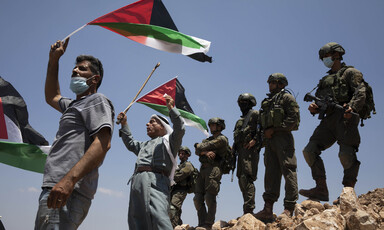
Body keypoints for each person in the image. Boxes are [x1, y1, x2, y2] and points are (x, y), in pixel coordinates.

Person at [34, 38, 115, 230]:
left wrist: (68, 181)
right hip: (56, 185)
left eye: (82, 69)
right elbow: (52, 96)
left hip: (68, 188)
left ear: (95, 79)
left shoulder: (96, 100)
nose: (75, 71)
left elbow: (103, 143)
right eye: (74, 69)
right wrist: (54, 60)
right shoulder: (72, 105)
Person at [300, 42, 365, 203]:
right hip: (328, 121)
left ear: (336, 55)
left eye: (326, 57)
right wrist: (314, 107)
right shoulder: (325, 79)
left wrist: (352, 107)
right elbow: (320, 100)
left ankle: (347, 193)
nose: (325, 60)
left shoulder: (351, 73)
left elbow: (361, 92)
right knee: (309, 150)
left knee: (346, 154)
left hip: (345, 119)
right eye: (323, 58)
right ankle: (321, 188)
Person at [117, 94, 185, 230]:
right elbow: (130, 143)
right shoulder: (144, 145)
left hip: (157, 181)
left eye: (152, 121)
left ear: (163, 126)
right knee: (136, 218)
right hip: (137, 181)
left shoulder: (169, 142)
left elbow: (180, 128)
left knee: (159, 218)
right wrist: (124, 124)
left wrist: (172, 109)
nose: (148, 124)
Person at [254, 73, 300, 222]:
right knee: (271, 174)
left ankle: (289, 208)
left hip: (283, 139)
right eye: (269, 82)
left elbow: (293, 119)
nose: (270, 85)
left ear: (281, 84)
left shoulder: (287, 98)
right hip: (269, 141)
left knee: (288, 169)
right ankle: (268, 209)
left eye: (273, 82)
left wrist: (275, 129)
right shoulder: (267, 101)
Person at [193, 117, 229, 230]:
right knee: (197, 198)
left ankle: (208, 223)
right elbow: (197, 151)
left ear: (220, 126)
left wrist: (200, 149)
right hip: (203, 169)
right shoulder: (208, 140)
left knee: (210, 197)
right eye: (211, 125)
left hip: (214, 169)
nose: (212, 127)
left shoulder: (222, 139)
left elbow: (199, 147)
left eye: (214, 125)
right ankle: (201, 223)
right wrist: (205, 152)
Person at [232, 93, 261, 215]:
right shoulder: (240, 120)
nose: (241, 104)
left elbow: (262, 129)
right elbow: (237, 137)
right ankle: (246, 207)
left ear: (250, 103)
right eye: (240, 102)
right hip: (240, 152)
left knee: (247, 178)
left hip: (250, 151)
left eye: (244, 102)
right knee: (241, 179)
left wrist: (255, 141)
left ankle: (249, 209)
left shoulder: (255, 114)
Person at [169, 146, 197, 228]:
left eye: (183, 153)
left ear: (187, 155)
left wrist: (169, 177)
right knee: (176, 210)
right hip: (174, 189)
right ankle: (179, 226)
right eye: (180, 153)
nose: (181, 155)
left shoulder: (188, 165)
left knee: (172, 208)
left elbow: (179, 176)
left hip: (181, 190)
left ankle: (173, 227)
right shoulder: (179, 165)